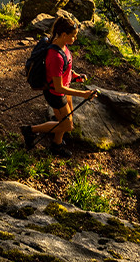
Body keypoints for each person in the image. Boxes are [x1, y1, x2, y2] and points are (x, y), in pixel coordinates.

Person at [20, 16, 95, 158]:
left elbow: (65, 69)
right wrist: (84, 94)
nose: (75, 39)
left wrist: (74, 76)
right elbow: (58, 87)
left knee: (66, 120)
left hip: (64, 89)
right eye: (73, 36)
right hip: (56, 94)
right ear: (64, 35)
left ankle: (57, 145)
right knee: (67, 126)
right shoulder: (55, 57)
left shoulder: (62, 45)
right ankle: (30, 130)